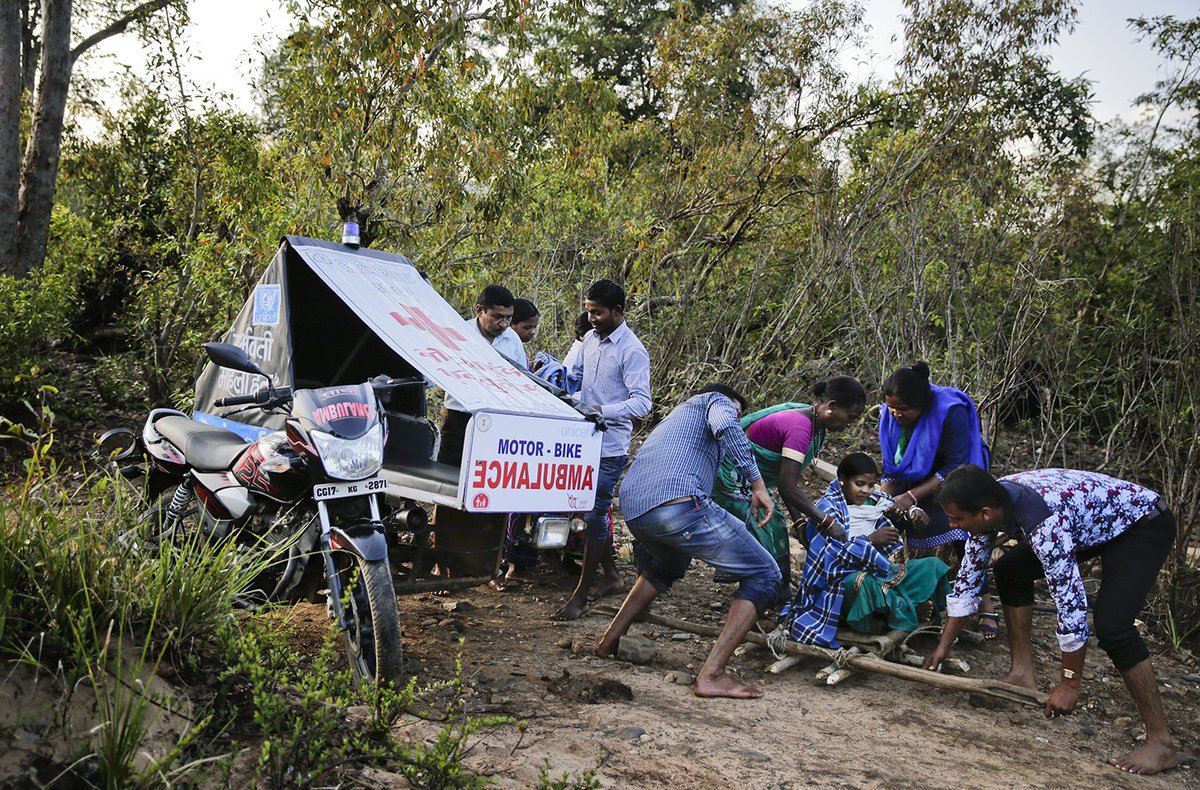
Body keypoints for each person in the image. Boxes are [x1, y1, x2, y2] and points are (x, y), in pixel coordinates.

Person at [925, 465, 1178, 776]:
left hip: (1141, 523)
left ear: (986, 513)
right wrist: (943, 646)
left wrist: (1069, 684)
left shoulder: (1043, 522)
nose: (951, 525)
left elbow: (1070, 602)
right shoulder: (987, 504)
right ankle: (1021, 674)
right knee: (1010, 570)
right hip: (1089, 521)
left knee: (1113, 626)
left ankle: (1161, 742)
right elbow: (969, 578)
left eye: (956, 519)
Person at [595, 384, 779, 698]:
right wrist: (758, 483)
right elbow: (725, 425)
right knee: (766, 574)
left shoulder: (675, 421)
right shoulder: (714, 401)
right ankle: (712, 674)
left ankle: (610, 639)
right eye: (737, 413)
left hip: (636, 510)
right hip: (677, 505)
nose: (736, 420)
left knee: (667, 566)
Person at [711, 377, 867, 604]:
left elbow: (787, 483)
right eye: (850, 417)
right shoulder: (800, 427)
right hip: (732, 479)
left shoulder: (813, 424)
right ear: (831, 407)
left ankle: (773, 591)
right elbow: (787, 486)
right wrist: (826, 522)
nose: (850, 424)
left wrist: (801, 522)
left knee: (775, 528)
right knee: (763, 528)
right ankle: (756, 593)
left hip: (754, 481)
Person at [553, 279, 652, 619]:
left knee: (595, 514)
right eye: (588, 312)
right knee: (581, 511)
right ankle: (611, 575)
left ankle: (581, 595)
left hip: (609, 445)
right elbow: (575, 376)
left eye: (597, 313)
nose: (591, 318)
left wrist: (601, 411)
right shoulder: (589, 341)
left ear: (617, 312)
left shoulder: (632, 350)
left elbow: (641, 403)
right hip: (580, 440)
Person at [878, 361, 999, 638]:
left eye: (904, 409)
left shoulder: (949, 412)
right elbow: (892, 466)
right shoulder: (889, 415)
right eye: (892, 407)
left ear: (923, 405)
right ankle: (902, 592)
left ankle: (985, 603)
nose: (896, 414)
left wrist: (910, 497)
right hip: (913, 475)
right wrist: (882, 499)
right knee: (885, 522)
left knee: (964, 535)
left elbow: (953, 467)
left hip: (956, 475)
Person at [783, 453, 949, 647]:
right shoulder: (827, 508)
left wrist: (915, 514)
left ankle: (897, 611)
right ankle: (908, 609)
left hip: (880, 571)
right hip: (840, 582)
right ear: (843, 480)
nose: (866, 490)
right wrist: (870, 540)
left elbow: (896, 506)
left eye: (870, 485)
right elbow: (827, 554)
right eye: (859, 483)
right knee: (862, 583)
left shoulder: (876, 501)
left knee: (931, 566)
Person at [437, 284, 527, 465]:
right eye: (497, 317)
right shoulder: (457, 334)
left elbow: (521, 378)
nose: (504, 323)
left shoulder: (512, 339)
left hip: (498, 419)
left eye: (508, 318)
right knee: (451, 471)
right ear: (479, 310)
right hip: (460, 416)